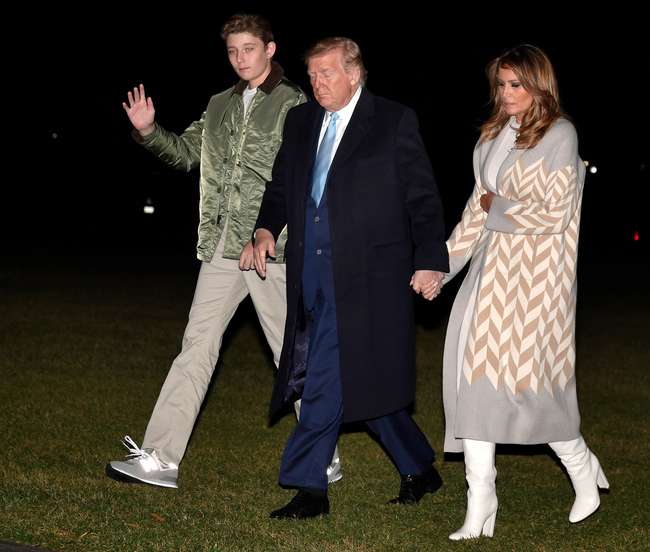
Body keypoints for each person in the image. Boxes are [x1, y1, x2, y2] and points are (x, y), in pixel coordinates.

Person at [105, 13, 344, 489]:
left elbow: (301, 180)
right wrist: (150, 131)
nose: (240, 59)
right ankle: (161, 457)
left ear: (270, 49)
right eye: (233, 51)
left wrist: (272, 231)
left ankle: (325, 452)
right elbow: (186, 154)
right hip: (221, 248)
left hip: (270, 251)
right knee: (195, 346)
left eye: (249, 49)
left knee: (287, 352)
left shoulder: (294, 103)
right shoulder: (218, 105)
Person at [252, 37, 448, 519]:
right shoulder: (300, 121)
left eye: (328, 74)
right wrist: (263, 227)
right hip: (310, 273)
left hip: (369, 277)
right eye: (313, 75)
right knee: (364, 380)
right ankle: (419, 467)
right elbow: (280, 187)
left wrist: (430, 258)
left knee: (323, 375)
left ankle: (308, 488)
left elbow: (421, 197)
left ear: (354, 73)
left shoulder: (392, 121)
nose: (317, 84)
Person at [438, 45, 608, 539]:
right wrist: (440, 268)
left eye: (517, 84)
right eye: (501, 85)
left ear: (539, 84)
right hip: (489, 278)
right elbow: (476, 211)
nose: (507, 94)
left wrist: (498, 206)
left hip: (537, 282)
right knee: (473, 382)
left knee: (534, 387)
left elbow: (555, 215)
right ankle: (480, 502)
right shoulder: (491, 136)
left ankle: (582, 471)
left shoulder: (560, 134)